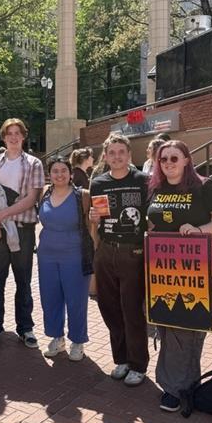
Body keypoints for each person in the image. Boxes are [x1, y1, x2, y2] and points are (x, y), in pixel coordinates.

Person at [146, 140, 212, 412]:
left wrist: (200, 230)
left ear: (186, 160)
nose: (169, 163)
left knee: (186, 327)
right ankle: (176, 383)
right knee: (166, 324)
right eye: (164, 159)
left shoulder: (203, 186)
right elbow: (153, 220)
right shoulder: (156, 188)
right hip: (161, 268)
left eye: (174, 158)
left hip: (192, 269)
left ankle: (179, 388)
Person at [88, 133, 150, 386]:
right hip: (106, 249)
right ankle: (121, 359)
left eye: (121, 152)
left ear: (129, 155)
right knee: (109, 307)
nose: (116, 157)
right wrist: (94, 221)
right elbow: (99, 219)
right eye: (111, 153)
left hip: (133, 251)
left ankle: (138, 364)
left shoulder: (143, 181)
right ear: (106, 156)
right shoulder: (99, 183)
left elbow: (152, 217)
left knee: (132, 308)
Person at [0, 118, 45, 348]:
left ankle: (25, 327)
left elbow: (31, 198)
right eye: (9, 134)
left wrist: (2, 214)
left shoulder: (34, 163)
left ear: (23, 136)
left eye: (18, 133)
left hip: (23, 230)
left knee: (23, 280)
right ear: (4, 137)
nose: (14, 137)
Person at [38, 157, 93, 361]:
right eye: (55, 171)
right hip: (46, 255)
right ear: (49, 174)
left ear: (71, 174)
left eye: (63, 170)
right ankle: (56, 338)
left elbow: (98, 218)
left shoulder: (83, 196)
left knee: (76, 300)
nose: (59, 174)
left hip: (75, 255)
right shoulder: (44, 193)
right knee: (50, 298)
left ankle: (78, 341)